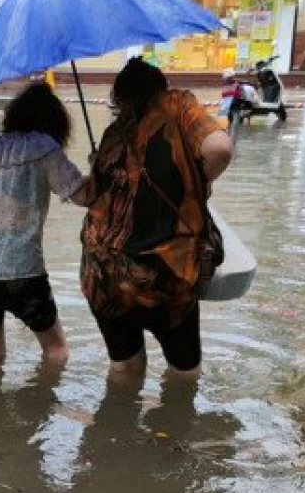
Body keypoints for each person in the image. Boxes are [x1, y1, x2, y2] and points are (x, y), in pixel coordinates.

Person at [80, 58, 233, 377]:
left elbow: (89, 198)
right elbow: (220, 149)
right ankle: (175, 424)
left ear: (118, 98)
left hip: (102, 274)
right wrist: (192, 187)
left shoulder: (112, 134)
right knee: (184, 372)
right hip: (164, 275)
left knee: (125, 369)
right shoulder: (177, 104)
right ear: (160, 87)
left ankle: (117, 425)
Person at [0, 82, 87, 363]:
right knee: (56, 349)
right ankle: (43, 405)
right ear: (55, 121)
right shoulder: (43, 147)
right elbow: (80, 195)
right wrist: (100, 172)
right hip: (21, 272)